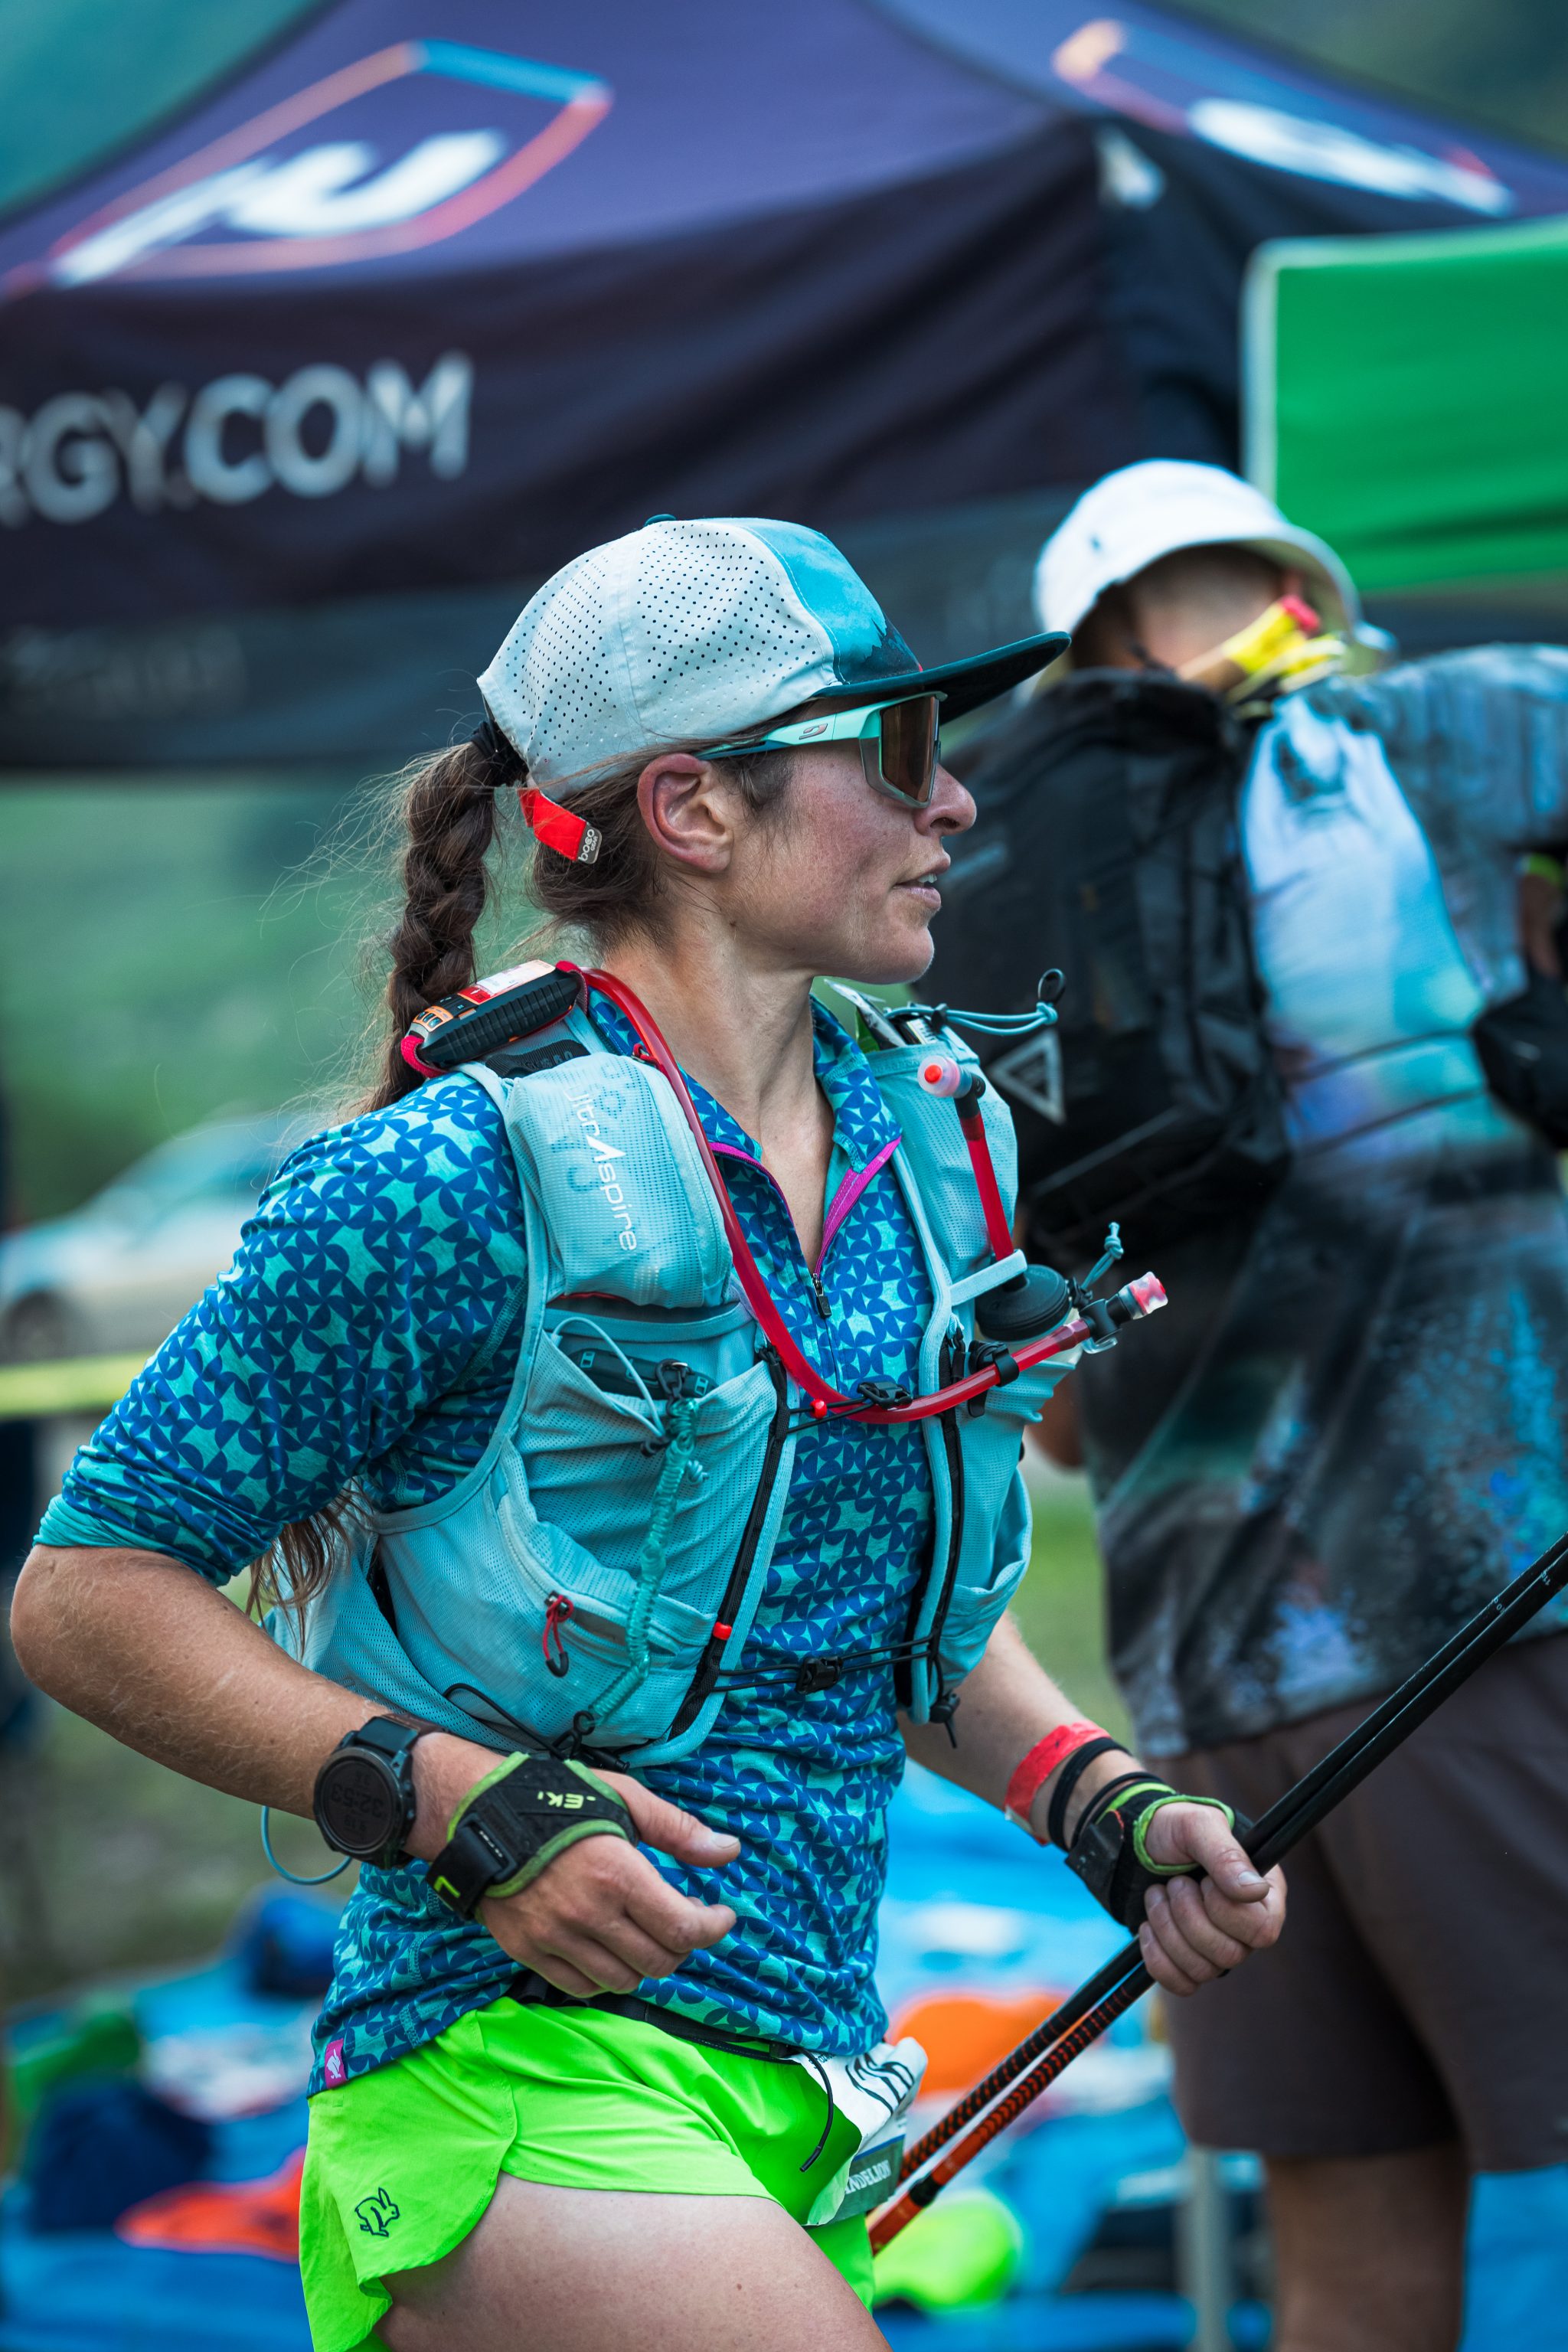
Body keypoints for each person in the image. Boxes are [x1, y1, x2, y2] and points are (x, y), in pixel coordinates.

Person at [8, 516, 1283, 2352]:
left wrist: (1093, 1797)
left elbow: (876, 1612)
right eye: (895, 751)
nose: (955, 804)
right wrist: (458, 1803)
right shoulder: (437, 1182)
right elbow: (85, 1590)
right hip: (505, 2085)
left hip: (806, 2099)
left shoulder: (932, 1147)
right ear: (691, 808)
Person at [1002, 462, 1568, 2352]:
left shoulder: (992, 903)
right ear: (1296, 595)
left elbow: (1052, 1420)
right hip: (1486, 1616)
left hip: (1201, 1700)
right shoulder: (1429, 741)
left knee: (1344, 2249)